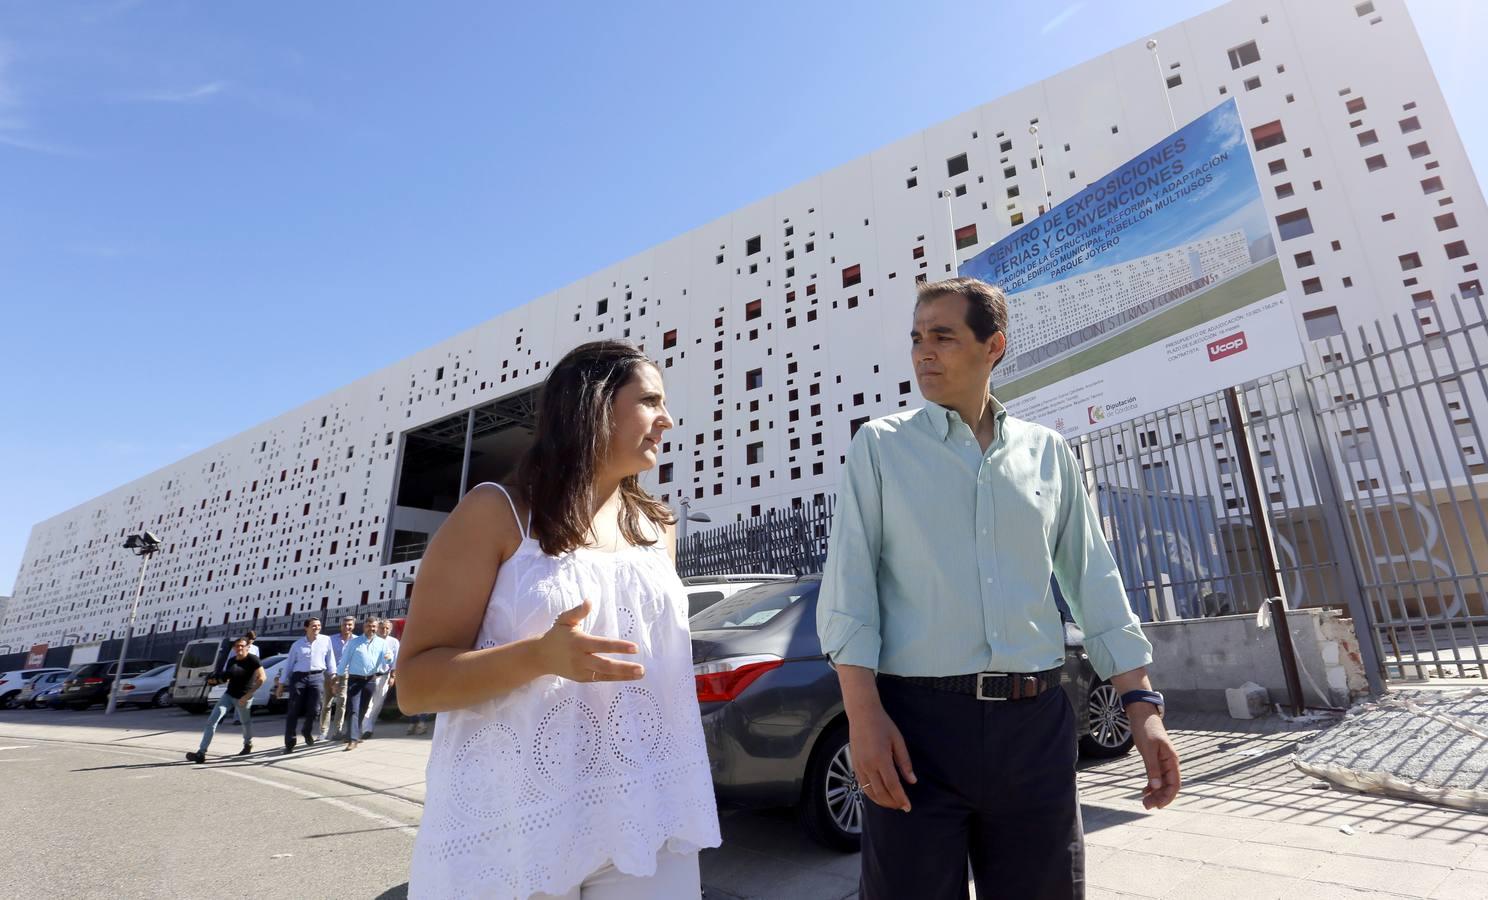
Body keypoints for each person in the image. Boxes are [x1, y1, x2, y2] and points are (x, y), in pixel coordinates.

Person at [817, 277, 1182, 900]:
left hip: (1034, 730)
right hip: (917, 731)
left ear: (995, 347)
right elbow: (850, 587)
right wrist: (862, 714)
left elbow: (1094, 577)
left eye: (943, 336)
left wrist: (1141, 706)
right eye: (916, 338)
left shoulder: (1048, 453)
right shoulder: (881, 448)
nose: (923, 352)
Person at [397, 340, 720, 899]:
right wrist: (538, 657)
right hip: (515, 825)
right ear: (592, 407)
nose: (667, 419)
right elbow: (415, 685)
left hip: (646, 810)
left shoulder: (658, 526)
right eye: (649, 401)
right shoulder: (495, 512)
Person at [187, 638, 263, 763]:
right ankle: (201, 753)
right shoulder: (232, 661)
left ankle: (248, 744)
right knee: (212, 721)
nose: (239, 648)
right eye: (237, 646)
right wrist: (215, 681)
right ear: (234, 648)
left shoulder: (253, 660)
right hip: (228, 695)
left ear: (247, 647)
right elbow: (227, 678)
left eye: (242, 646)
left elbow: (262, 678)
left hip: (243, 697)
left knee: (245, 723)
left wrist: (248, 695)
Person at [274, 617, 335, 753]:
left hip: (318, 677)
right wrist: (281, 685)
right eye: (313, 626)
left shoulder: (326, 640)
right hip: (299, 678)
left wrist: (333, 677)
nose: (317, 628)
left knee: (315, 709)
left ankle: (307, 731)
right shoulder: (297, 645)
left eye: (319, 625)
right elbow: (289, 665)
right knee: (293, 710)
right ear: (306, 628)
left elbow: (330, 660)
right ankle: (290, 742)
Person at [337, 617, 387, 751]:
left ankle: (352, 733)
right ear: (364, 627)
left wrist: (388, 659)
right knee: (353, 708)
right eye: (368, 626)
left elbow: (386, 659)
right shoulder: (354, 642)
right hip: (354, 679)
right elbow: (344, 660)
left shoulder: (382, 643)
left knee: (363, 708)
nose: (371, 629)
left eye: (374, 627)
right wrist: (338, 677)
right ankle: (353, 739)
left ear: (377, 628)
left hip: (370, 680)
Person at [358, 617, 400, 739]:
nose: (384, 630)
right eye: (382, 628)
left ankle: (368, 727)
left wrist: (393, 676)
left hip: (384, 676)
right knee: (366, 703)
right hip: (368, 676)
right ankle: (365, 727)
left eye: (387, 628)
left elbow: (396, 660)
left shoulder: (394, 642)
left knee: (377, 703)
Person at [322, 615, 358, 740]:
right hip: (330, 674)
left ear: (353, 626)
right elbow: (325, 656)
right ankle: (323, 731)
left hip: (345, 675)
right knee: (327, 703)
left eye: (350, 625)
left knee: (342, 702)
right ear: (340, 626)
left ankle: (337, 731)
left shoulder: (357, 640)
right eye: (345, 624)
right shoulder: (330, 640)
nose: (347, 627)